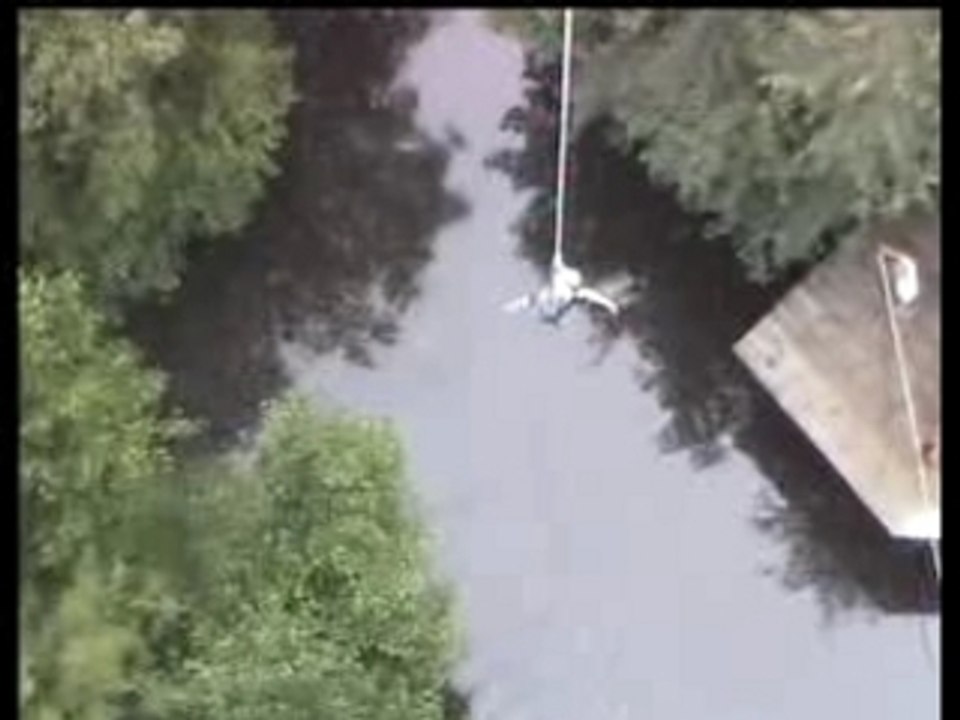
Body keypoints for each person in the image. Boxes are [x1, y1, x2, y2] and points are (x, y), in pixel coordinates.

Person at [503, 255, 619, 325]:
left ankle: (560, 268)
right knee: (564, 280)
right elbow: (593, 296)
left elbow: (529, 300)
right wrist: (609, 305)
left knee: (560, 279)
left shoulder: (555, 294)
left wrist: (512, 306)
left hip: (558, 289)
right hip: (560, 289)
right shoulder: (572, 293)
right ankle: (560, 268)